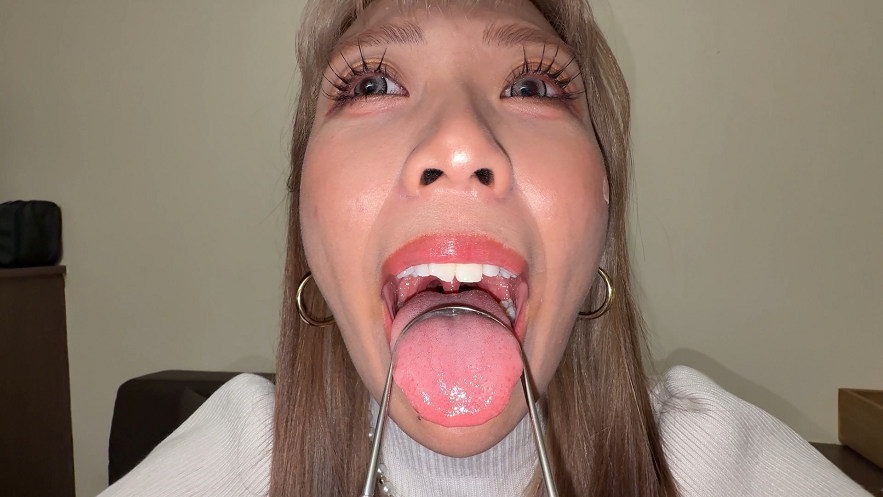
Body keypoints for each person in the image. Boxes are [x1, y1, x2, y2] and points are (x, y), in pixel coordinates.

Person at [99, 1, 871, 496]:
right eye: (371, 84)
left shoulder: (714, 460)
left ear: (603, 212)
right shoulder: (229, 462)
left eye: (531, 86)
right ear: (305, 220)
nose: (459, 143)